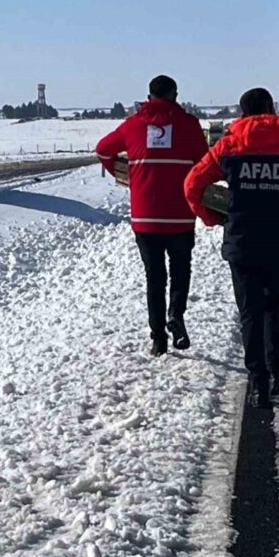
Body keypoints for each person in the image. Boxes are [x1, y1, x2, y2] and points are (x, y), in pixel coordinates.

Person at [184, 88, 279, 407]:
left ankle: (258, 382)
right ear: (270, 108)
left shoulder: (228, 146)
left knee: (250, 312)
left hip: (242, 242)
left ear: (242, 112)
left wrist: (212, 217)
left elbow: (192, 185)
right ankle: (278, 371)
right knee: (273, 304)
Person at [96, 75, 209, 356]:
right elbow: (204, 163)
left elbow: (103, 150)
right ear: (174, 95)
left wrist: (125, 174)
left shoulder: (133, 124)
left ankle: (158, 337)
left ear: (149, 97)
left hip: (145, 217)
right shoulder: (189, 124)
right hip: (181, 215)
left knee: (154, 277)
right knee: (181, 270)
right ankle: (176, 315)